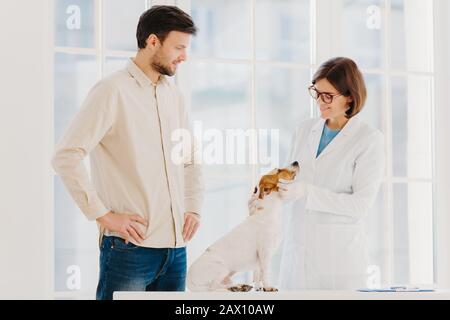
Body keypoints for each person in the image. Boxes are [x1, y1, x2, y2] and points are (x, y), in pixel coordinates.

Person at [52, 5, 204, 300]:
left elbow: (189, 157)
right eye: (179, 48)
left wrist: (194, 205)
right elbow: (65, 155)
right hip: (129, 249)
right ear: (152, 42)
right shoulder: (112, 91)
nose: (184, 56)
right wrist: (103, 215)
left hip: (175, 250)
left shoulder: (174, 94)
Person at [249, 57, 384, 290]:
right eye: (316, 92)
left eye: (328, 96)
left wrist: (308, 193)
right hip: (298, 253)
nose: (320, 101)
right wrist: (266, 195)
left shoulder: (368, 139)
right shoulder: (304, 130)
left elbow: (360, 205)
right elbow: (289, 181)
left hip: (338, 259)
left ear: (350, 96)